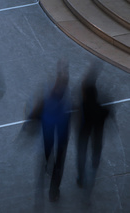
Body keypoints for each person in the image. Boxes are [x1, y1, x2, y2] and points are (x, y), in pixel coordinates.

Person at [28, 60, 71, 202]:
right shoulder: (64, 108)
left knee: (49, 154)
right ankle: (54, 190)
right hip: (61, 138)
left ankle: (47, 167)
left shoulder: (46, 101)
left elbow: (34, 114)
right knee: (59, 164)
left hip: (49, 136)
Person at [76, 65, 109, 191]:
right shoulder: (101, 109)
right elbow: (107, 114)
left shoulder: (83, 105)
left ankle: (80, 178)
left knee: (82, 153)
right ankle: (93, 171)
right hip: (97, 133)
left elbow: (84, 89)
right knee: (95, 152)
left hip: (84, 131)